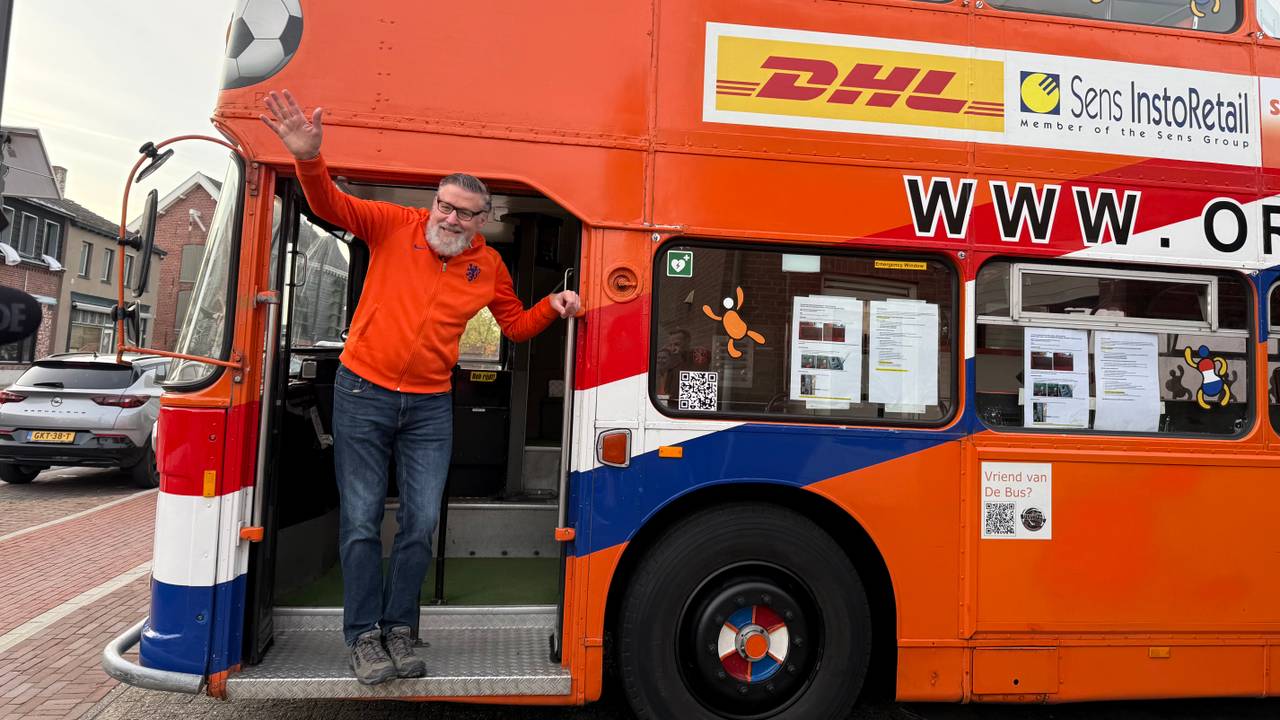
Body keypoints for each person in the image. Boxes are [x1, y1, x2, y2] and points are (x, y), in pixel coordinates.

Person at [259, 90, 581, 685]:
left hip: (431, 405)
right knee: (359, 520)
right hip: (362, 394)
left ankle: (400, 628)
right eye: (443, 205)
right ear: (432, 204)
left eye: (463, 212)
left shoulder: (487, 266)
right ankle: (363, 637)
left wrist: (553, 305)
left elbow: (513, 326)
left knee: (421, 522)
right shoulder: (390, 224)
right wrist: (307, 157)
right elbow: (329, 204)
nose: (448, 218)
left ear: (483, 219)